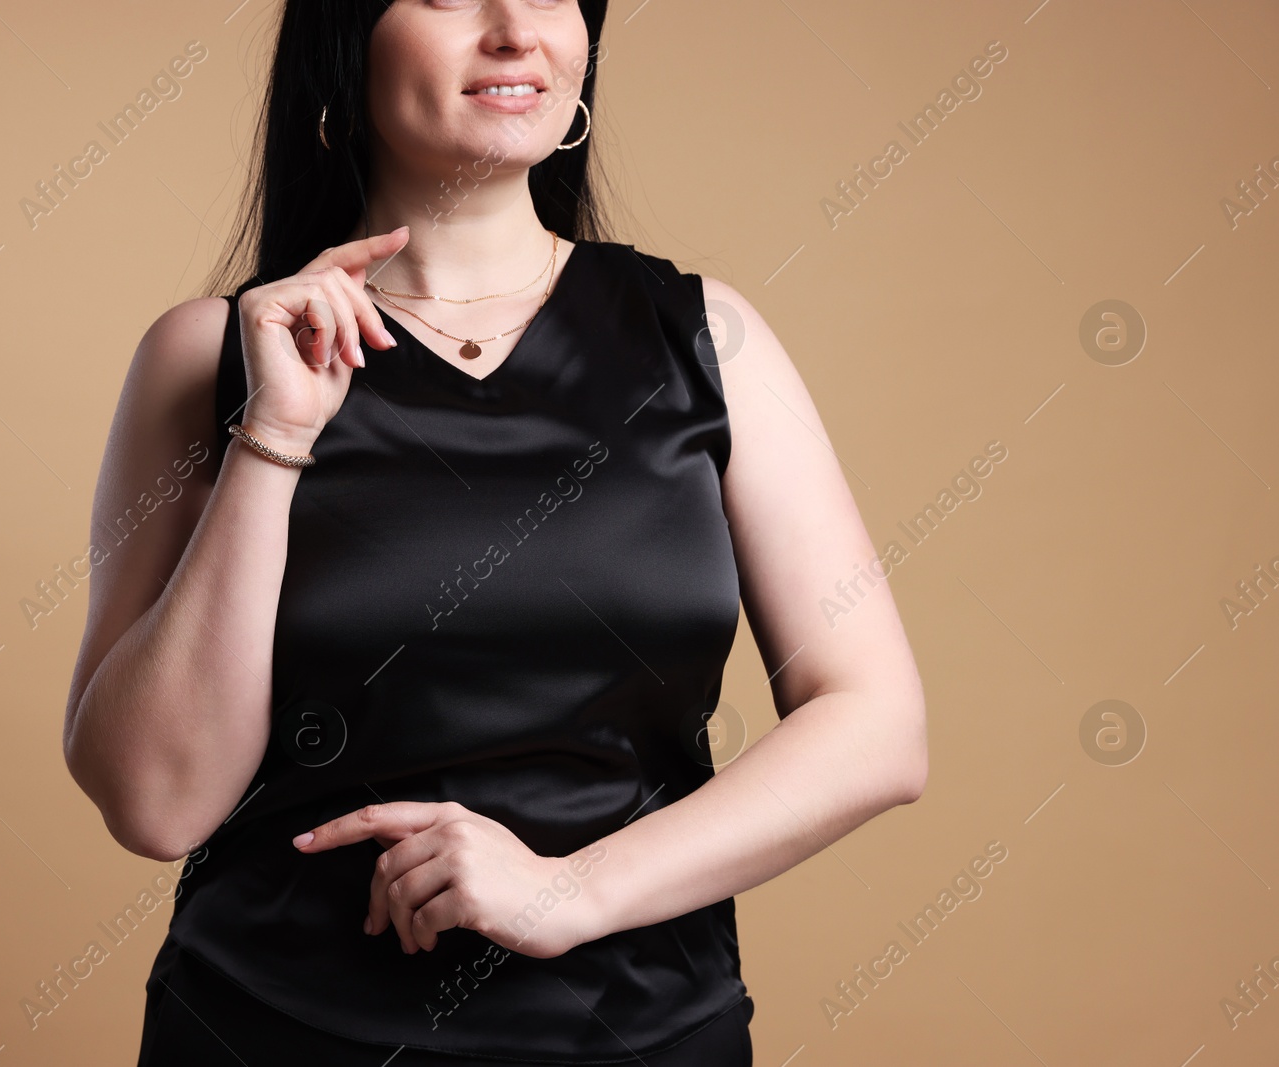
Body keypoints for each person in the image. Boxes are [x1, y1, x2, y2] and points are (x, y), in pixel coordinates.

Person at [61, 1, 928, 1064]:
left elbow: (876, 723)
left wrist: (571, 888)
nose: (516, 29)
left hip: (643, 1033)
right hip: (274, 1028)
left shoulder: (709, 341)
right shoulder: (212, 357)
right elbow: (155, 802)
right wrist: (273, 437)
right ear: (345, 42)